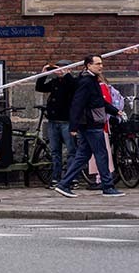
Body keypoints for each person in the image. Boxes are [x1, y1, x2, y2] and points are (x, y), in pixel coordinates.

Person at [53, 55, 124, 198]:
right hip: (91, 124)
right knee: (101, 154)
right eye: (97, 64)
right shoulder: (86, 81)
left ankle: (64, 184)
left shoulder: (91, 80)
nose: (101, 66)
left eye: (101, 63)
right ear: (88, 65)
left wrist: (115, 111)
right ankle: (108, 186)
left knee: (82, 155)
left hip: (89, 123)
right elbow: (77, 104)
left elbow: (99, 102)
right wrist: (73, 126)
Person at [35, 59, 77, 188]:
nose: (59, 70)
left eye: (63, 68)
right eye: (58, 68)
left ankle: (71, 179)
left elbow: (72, 87)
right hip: (53, 121)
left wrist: (66, 74)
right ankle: (55, 178)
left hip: (66, 121)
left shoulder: (72, 81)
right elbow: (40, 87)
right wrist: (44, 74)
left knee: (71, 151)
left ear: (69, 69)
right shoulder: (54, 82)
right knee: (55, 151)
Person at [85, 72, 116, 189]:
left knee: (101, 152)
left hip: (99, 124)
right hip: (97, 123)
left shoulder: (101, 87)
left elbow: (104, 105)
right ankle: (100, 178)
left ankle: (102, 178)